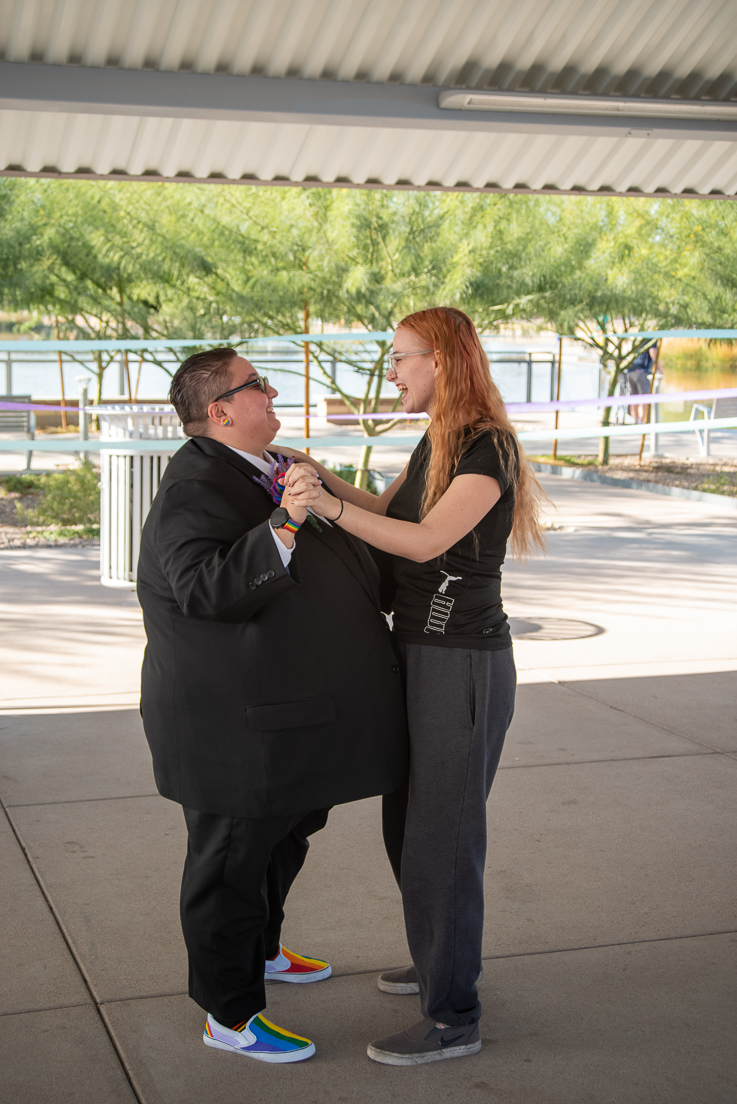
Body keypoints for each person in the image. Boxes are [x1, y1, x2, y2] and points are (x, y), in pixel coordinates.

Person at [285, 307, 546, 1066]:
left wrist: (325, 506)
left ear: (441, 359)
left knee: (443, 839)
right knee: (407, 825)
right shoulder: (436, 440)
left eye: (400, 356)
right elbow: (382, 512)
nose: (391, 370)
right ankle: (438, 958)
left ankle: (452, 1015)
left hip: (461, 662)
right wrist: (313, 471)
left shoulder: (487, 447)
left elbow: (428, 542)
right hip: (416, 651)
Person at [136, 347, 407, 1064]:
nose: (274, 392)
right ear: (220, 410)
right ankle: (229, 1014)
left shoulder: (261, 467)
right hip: (231, 725)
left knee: (285, 832)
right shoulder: (195, 484)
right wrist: (286, 520)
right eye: (257, 384)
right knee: (230, 862)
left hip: (283, 712)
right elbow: (204, 589)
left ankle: (260, 950)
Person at [626, 344, 657, 423]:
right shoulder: (651, 338)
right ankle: (642, 422)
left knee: (634, 397)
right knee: (644, 398)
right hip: (641, 371)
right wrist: (659, 368)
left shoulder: (637, 338)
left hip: (630, 370)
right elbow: (653, 351)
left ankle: (635, 421)